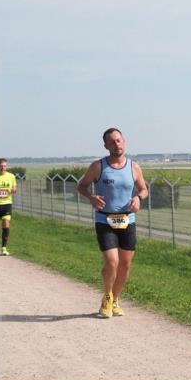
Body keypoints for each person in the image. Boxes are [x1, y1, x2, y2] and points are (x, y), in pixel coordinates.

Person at [76, 128, 148, 319]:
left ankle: (115, 300)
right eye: (112, 142)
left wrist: (139, 198)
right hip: (104, 219)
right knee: (112, 261)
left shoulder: (134, 167)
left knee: (125, 265)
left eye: (119, 140)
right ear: (106, 146)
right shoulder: (98, 166)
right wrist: (91, 197)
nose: (117, 144)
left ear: (124, 141)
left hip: (127, 220)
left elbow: (143, 189)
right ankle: (107, 297)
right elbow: (81, 186)